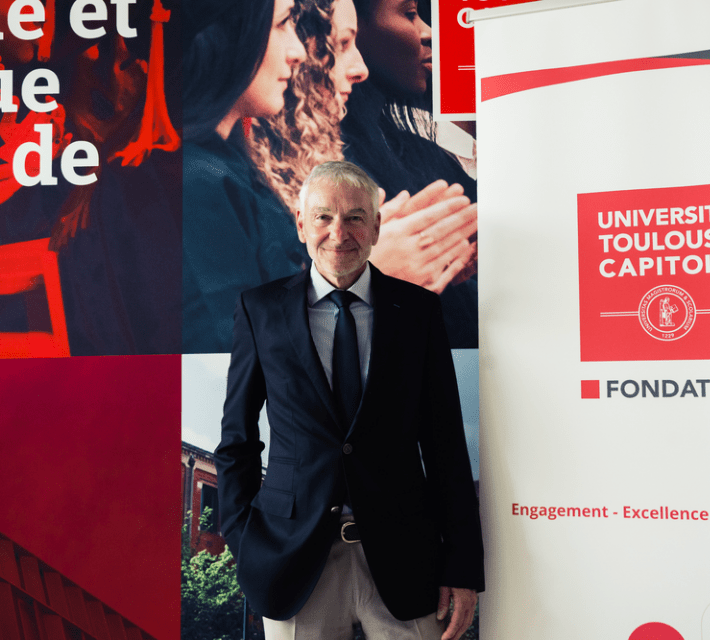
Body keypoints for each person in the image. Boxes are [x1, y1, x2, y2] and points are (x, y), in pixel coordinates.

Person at [215, 160, 484, 640]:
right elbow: (237, 440)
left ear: (376, 227)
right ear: (302, 225)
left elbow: (445, 446)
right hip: (295, 563)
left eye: (355, 217)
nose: (338, 233)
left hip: (404, 559)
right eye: (323, 217)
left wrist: (461, 565)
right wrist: (245, 542)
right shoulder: (259, 310)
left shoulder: (418, 311)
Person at [249, 0, 478, 348]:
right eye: (342, 44)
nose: (360, 69)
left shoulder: (327, 155)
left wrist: (434, 271)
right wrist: (361, 281)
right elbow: (234, 345)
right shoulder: (231, 178)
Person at [182, 0, 321, 353]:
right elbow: (229, 358)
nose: (299, 52)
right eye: (282, 24)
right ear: (227, 33)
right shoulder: (194, 185)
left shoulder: (223, 165)